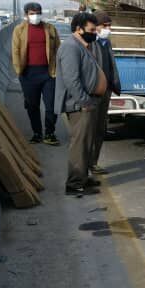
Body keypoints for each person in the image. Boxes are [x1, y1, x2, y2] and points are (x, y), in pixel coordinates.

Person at [55, 12, 107, 196]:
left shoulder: (83, 45)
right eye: (91, 30)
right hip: (79, 105)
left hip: (89, 101)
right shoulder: (70, 47)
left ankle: (83, 178)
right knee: (79, 144)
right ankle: (75, 183)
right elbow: (71, 80)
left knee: (87, 143)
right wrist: (85, 102)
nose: (94, 33)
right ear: (79, 29)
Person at [11, 2, 61, 145]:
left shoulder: (50, 29)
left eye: (38, 13)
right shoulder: (19, 30)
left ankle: (50, 133)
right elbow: (15, 51)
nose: (35, 16)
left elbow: (58, 48)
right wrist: (19, 71)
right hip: (28, 74)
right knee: (32, 106)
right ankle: (37, 133)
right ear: (26, 15)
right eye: (32, 13)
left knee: (51, 105)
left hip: (49, 73)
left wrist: (58, 69)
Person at [90, 11, 121, 175]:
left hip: (106, 91)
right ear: (96, 27)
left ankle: (93, 163)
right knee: (89, 130)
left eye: (110, 26)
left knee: (100, 129)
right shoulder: (89, 44)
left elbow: (111, 66)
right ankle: (85, 165)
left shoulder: (106, 43)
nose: (108, 29)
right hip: (93, 93)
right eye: (105, 26)